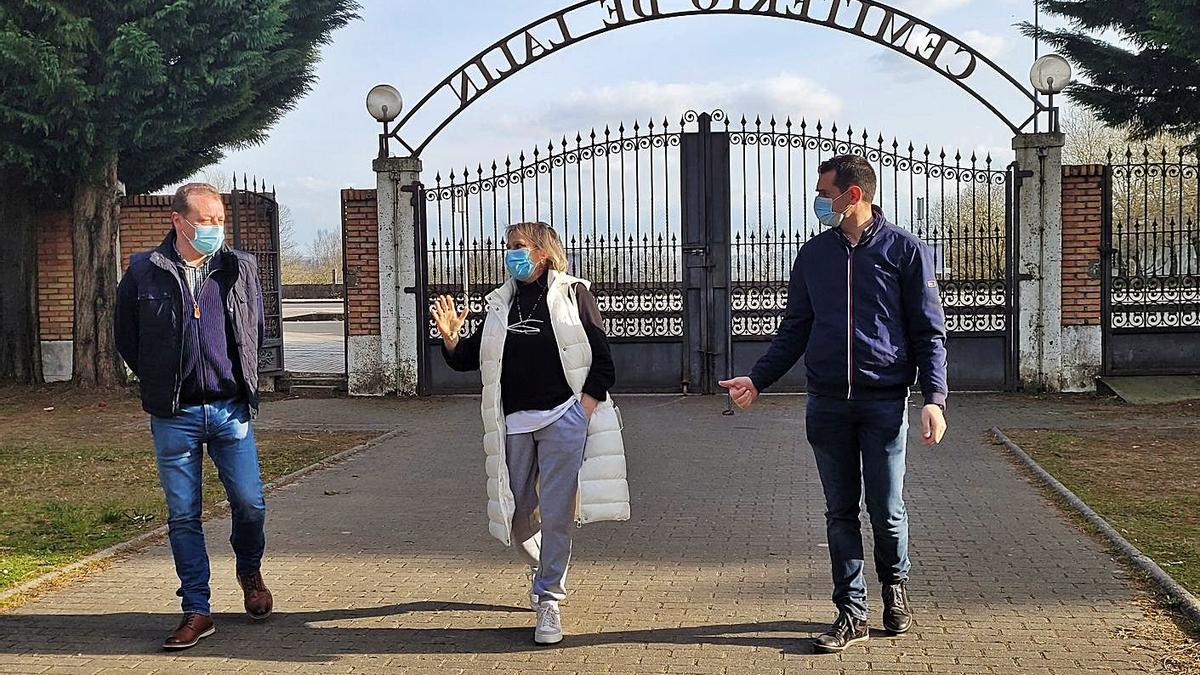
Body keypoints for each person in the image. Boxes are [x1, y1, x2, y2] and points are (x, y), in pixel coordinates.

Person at [720, 155, 948, 653]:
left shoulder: (905, 251)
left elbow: (929, 334)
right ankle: (851, 612)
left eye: (825, 193)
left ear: (854, 196)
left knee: (885, 509)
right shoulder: (813, 255)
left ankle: (895, 588)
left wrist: (934, 399)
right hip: (826, 403)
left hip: (884, 403)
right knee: (839, 512)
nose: (819, 202)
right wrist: (757, 380)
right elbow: (795, 329)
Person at [432, 221, 629, 645]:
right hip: (514, 424)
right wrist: (451, 340)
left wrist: (582, 411)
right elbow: (471, 359)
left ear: (543, 252)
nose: (511, 254)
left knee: (556, 514)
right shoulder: (501, 303)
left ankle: (549, 599)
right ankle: (543, 570)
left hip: (563, 418)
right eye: (508, 247)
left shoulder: (573, 294)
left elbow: (603, 361)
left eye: (518, 246)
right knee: (519, 514)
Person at [115, 183, 272, 650]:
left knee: (250, 503)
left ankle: (249, 570)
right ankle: (197, 609)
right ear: (178, 221)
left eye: (219, 219)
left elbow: (254, 328)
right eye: (204, 220)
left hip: (229, 409)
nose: (214, 228)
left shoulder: (239, 267)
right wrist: (160, 379)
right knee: (183, 515)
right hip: (175, 413)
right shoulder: (145, 270)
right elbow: (128, 336)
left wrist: (242, 378)